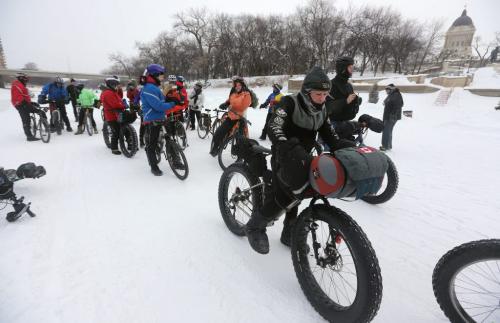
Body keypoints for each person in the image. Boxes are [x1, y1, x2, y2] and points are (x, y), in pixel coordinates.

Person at [244, 66, 355, 254]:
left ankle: (289, 233)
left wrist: (350, 148)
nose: (322, 98)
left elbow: (331, 139)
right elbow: (274, 126)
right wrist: (284, 144)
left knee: (300, 193)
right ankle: (254, 227)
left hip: (304, 158)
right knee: (283, 197)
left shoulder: (322, 111)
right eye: (318, 94)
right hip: (283, 155)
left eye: (325, 94)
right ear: (306, 92)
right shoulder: (289, 103)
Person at [140, 64, 178, 176]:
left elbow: (161, 99)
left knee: (170, 139)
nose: (163, 77)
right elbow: (158, 106)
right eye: (161, 74)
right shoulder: (149, 88)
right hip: (152, 119)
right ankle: (153, 166)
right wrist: (172, 103)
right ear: (155, 75)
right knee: (152, 144)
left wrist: (170, 98)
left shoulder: (154, 87)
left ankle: (176, 161)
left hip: (161, 117)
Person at [209, 76, 252, 156]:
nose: (237, 87)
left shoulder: (247, 95)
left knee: (240, 139)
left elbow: (242, 107)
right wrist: (225, 104)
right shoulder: (234, 94)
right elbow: (229, 100)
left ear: (243, 86)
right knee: (218, 133)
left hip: (240, 119)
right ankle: (216, 148)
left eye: (239, 85)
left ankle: (240, 157)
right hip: (231, 117)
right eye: (236, 85)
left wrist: (231, 106)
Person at [327, 56, 362, 140]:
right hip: (333, 124)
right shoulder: (331, 85)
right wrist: (345, 101)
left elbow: (350, 102)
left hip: (346, 124)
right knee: (330, 151)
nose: (352, 70)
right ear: (343, 69)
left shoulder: (348, 85)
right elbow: (327, 107)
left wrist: (356, 100)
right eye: (350, 67)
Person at [10, 72, 47, 141]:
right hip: (20, 105)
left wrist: (31, 103)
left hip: (25, 104)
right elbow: (17, 97)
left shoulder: (21, 85)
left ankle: (47, 128)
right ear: (21, 78)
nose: (26, 80)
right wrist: (25, 103)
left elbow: (25, 96)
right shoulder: (16, 85)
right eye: (25, 79)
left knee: (41, 112)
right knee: (26, 120)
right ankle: (29, 136)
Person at [101, 77, 126, 155]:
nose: (116, 86)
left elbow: (119, 101)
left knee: (124, 127)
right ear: (111, 84)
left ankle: (131, 143)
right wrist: (123, 106)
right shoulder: (108, 93)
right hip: (111, 115)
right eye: (115, 85)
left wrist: (123, 103)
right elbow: (114, 104)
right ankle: (114, 148)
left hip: (117, 114)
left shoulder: (113, 92)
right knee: (116, 131)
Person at [380, 84, 403, 151]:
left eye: (387, 90)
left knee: (386, 131)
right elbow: (389, 102)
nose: (386, 91)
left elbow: (400, 104)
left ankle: (385, 146)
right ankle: (388, 146)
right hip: (388, 116)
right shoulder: (392, 95)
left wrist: (392, 115)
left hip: (391, 117)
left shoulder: (396, 95)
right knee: (388, 131)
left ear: (391, 89)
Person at [127, 80, 145, 147]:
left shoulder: (137, 90)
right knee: (143, 125)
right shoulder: (139, 91)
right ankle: (141, 140)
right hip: (135, 104)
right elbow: (131, 96)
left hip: (150, 109)